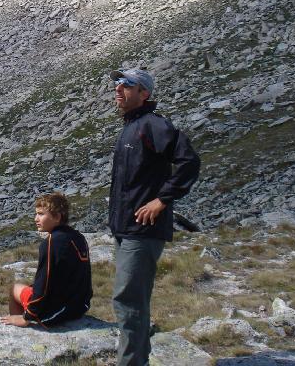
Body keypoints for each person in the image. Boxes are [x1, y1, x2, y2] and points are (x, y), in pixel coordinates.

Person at [109, 68, 200, 366]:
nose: (118, 89)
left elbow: (189, 161)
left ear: (144, 93)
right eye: (117, 84)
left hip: (142, 230)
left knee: (128, 301)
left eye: (126, 85)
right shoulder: (132, 126)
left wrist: (162, 200)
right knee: (131, 300)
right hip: (126, 228)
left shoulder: (153, 125)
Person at [1, 192, 92, 328]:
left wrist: (28, 316)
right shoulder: (78, 237)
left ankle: (20, 325)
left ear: (57, 217)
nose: (36, 219)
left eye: (41, 214)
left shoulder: (50, 243)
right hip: (79, 306)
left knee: (15, 289)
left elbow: (43, 283)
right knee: (29, 287)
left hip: (55, 312)